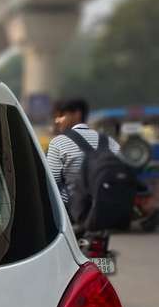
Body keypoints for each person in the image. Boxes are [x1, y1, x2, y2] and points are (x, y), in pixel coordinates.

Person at [46, 98, 123, 229]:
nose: (57, 121)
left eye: (61, 116)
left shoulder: (58, 142)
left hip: (73, 213)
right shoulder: (110, 142)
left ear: (77, 114)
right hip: (106, 210)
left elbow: (52, 182)